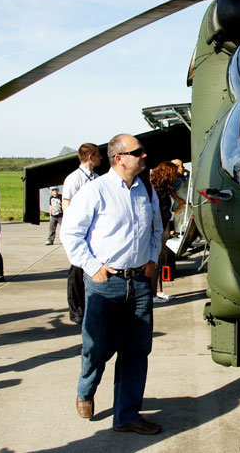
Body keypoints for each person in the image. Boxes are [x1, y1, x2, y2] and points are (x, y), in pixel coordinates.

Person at [60, 133, 163, 435]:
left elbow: (157, 227)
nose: (144, 156)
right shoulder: (95, 191)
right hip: (106, 284)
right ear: (119, 158)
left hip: (140, 284)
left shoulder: (146, 189)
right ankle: (86, 389)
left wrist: (152, 258)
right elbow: (71, 234)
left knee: (136, 350)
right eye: (138, 152)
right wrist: (93, 268)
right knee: (98, 348)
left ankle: (127, 416)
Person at [62, 143, 102, 324]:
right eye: (98, 155)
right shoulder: (74, 179)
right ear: (90, 157)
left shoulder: (97, 178)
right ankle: (76, 310)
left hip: (95, 231)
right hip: (81, 230)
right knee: (77, 270)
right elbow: (66, 204)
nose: (101, 158)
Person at [149, 161, 178, 303]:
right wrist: (176, 212)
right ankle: (153, 294)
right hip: (160, 228)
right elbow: (163, 212)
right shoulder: (159, 191)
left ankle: (157, 291)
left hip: (162, 227)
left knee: (159, 262)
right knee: (156, 261)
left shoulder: (162, 188)